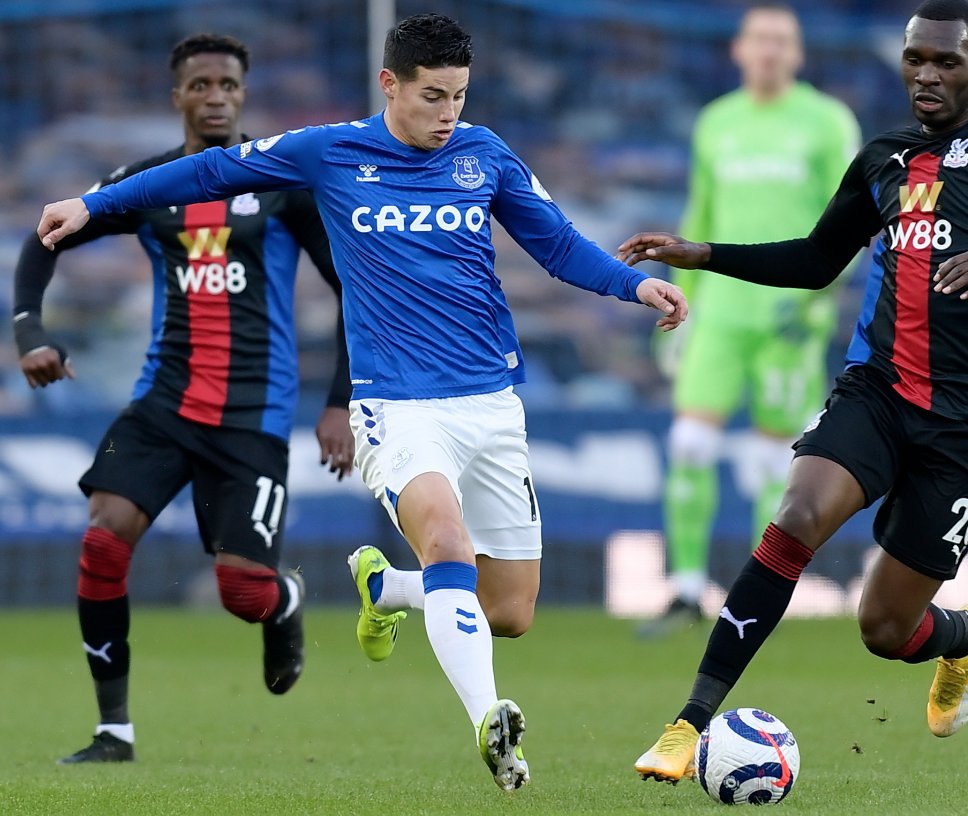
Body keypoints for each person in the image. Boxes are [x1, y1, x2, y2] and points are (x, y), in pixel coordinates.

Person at [35, 13, 688, 790]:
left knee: (510, 610)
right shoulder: (331, 151)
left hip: (489, 405)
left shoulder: (485, 156)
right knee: (445, 539)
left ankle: (391, 589)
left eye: (460, 96)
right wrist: (92, 204)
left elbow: (556, 244)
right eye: (434, 96)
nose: (449, 113)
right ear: (391, 85)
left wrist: (634, 286)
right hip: (397, 407)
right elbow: (209, 174)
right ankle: (491, 722)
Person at [615, 0, 968, 785]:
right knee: (798, 513)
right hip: (879, 392)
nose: (927, 75)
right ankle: (686, 723)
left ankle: (959, 640)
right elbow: (816, 258)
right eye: (917, 59)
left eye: (947, 61)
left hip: (959, 431)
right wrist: (700, 254)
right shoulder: (885, 158)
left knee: (884, 628)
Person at [14, 33, 354, 765]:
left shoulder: (284, 183)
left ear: (243, 94)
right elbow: (48, 233)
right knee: (102, 541)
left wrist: (338, 403)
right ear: (178, 97)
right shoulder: (148, 183)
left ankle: (284, 606)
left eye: (227, 84)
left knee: (244, 594)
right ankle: (115, 732)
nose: (215, 97)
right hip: (164, 402)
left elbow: (354, 293)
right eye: (200, 85)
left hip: (253, 417)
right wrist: (29, 330)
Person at [639, 2, 861, 636]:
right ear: (738, 50)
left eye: (780, 41)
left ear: (797, 54)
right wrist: (679, 298)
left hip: (790, 315)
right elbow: (701, 216)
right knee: (690, 442)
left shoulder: (826, 122)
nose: (768, 50)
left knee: (773, 461)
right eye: (758, 39)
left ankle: (759, 596)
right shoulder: (717, 123)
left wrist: (817, 300)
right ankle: (684, 591)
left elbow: (848, 221)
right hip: (721, 314)